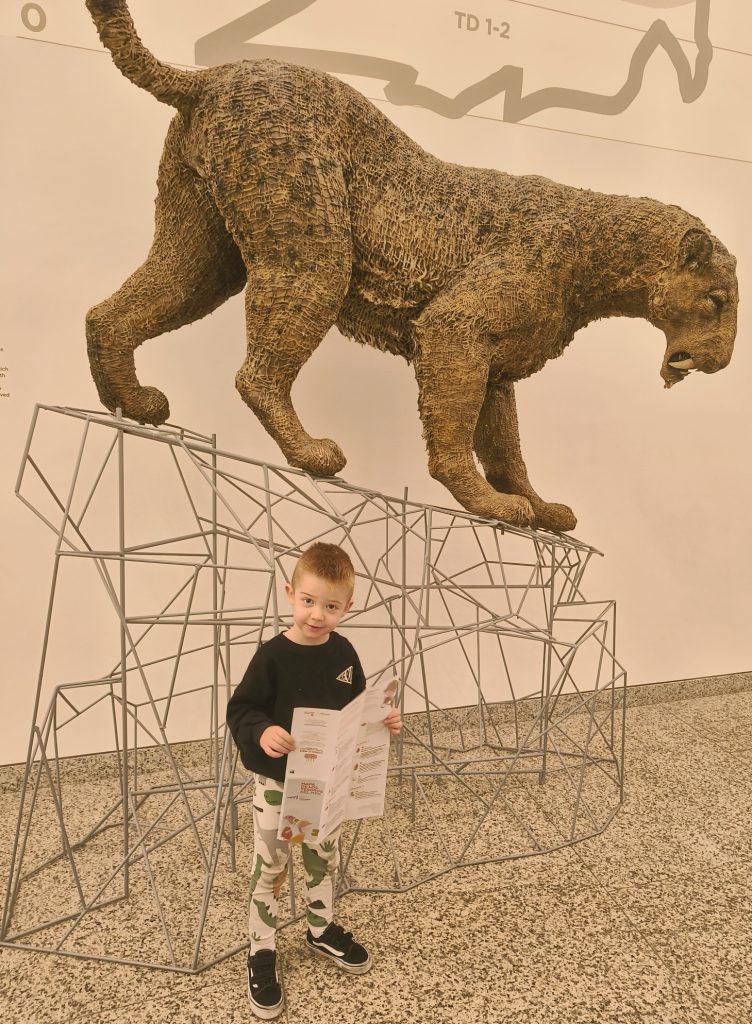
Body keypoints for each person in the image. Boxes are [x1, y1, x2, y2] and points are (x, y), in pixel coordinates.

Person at [227, 542, 402, 1019]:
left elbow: (359, 708)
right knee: (270, 868)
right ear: (290, 594)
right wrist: (262, 732)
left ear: (348, 607)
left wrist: (381, 720)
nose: (317, 615)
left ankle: (320, 929)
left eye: (330, 606)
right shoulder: (272, 657)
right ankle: (261, 948)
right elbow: (241, 709)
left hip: (326, 786)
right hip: (277, 786)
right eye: (308, 601)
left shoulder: (343, 652)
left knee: (322, 861)